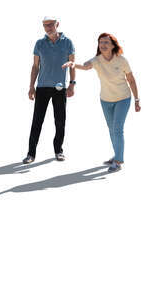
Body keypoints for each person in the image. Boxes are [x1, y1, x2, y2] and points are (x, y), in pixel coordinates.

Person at [62, 33, 141, 172]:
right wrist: (73, 64)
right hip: (105, 100)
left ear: (112, 45)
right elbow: (86, 66)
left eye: (106, 42)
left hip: (123, 98)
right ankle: (117, 154)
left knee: (117, 129)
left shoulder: (122, 60)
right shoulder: (97, 60)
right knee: (112, 130)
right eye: (100, 42)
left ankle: (118, 161)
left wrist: (136, 99)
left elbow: (131, 80)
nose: (103, 45)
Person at [22, 16, 76, 164]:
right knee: (37, 121)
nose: (48, 27)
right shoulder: (39, 44)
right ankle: (31, 154)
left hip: (60, 88)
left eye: (51, 24)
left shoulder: (67, 42)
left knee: (60, 121)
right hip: (42, 88)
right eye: (45, 25)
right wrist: (31, 86)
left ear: (57, 24)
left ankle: (58, 151)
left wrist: (72, 84)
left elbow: (72, 64)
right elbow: (35, 66)